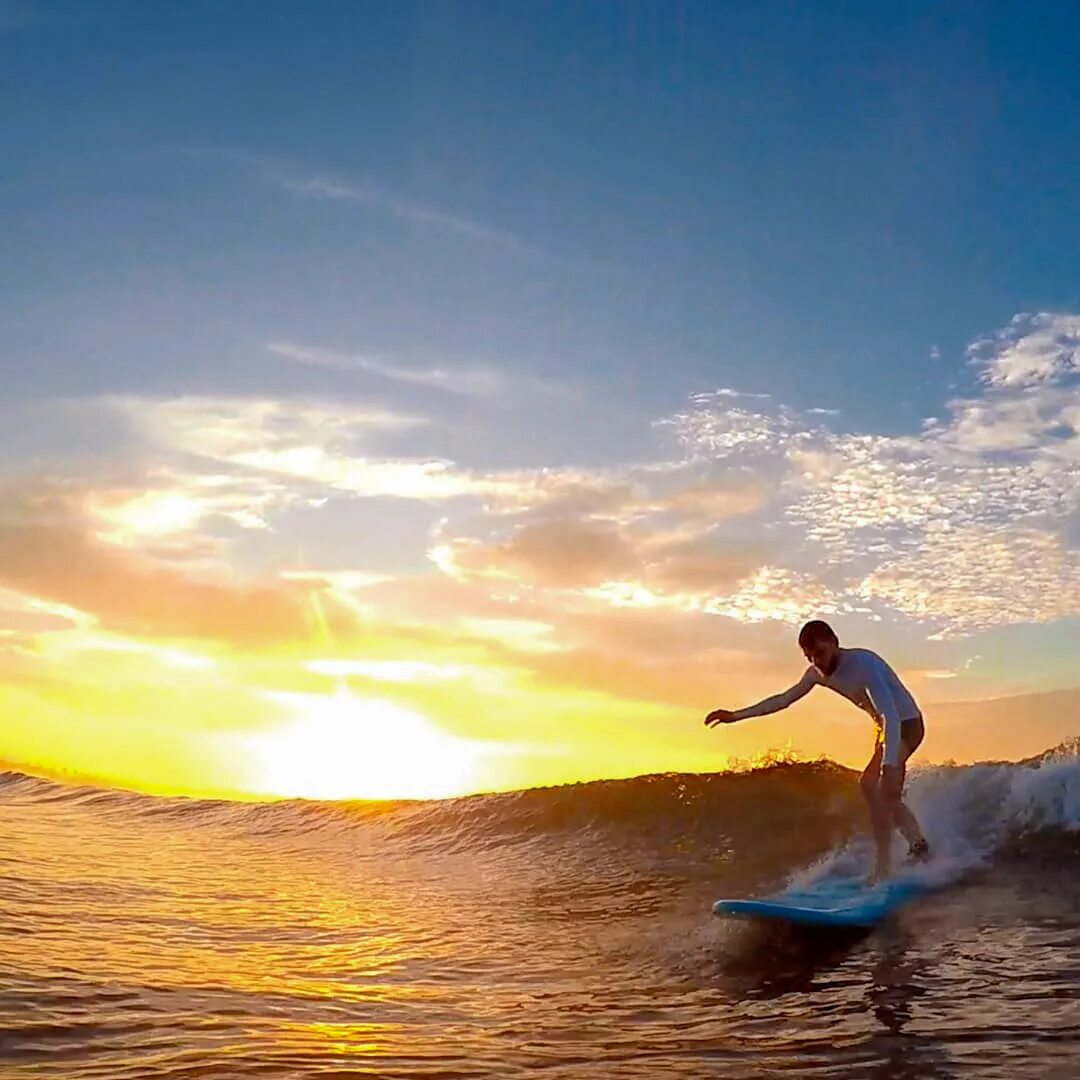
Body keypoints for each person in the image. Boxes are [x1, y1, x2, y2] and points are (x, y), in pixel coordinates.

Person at [704, 619, 931, 882]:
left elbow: (890, 714)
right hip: (884, 728)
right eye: (810, 657)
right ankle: (916, 847)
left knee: (882, 789)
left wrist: (890, 764)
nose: (817, 662)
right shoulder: (816, 674)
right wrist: (735, 716)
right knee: (870, 787)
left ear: (834, 642)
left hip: (907, 725)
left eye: (820, 653)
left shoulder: (864, 664)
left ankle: (889, 864)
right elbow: (783, 700)